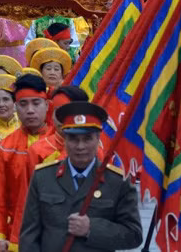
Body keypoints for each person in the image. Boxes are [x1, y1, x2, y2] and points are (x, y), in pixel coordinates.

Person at [19, 101, 142, 252]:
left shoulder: (117, 182)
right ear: (65, 140)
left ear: (98, 139)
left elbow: (134, 235)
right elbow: (29, 236)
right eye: (73, 139)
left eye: (87, 139)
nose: (80, 146)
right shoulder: (43, 177)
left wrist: (92, 228)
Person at [0, 74, 50, 249]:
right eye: (23, 104)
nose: (30, 110)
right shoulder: (4, 148)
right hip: (16, 233)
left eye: (36, 103)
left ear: (46, 105)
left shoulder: (60, 144)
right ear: (16, 107)